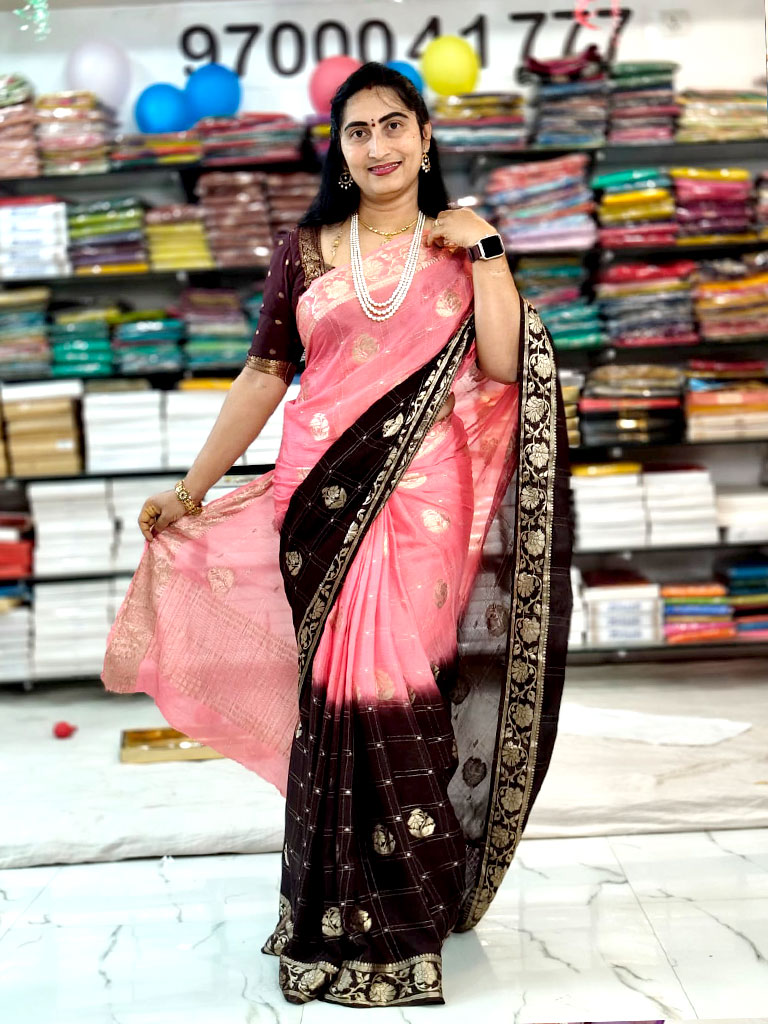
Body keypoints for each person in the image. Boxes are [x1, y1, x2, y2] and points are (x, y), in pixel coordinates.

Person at [101, 62, 574, 1008]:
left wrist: (487, 251)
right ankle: (333, 906)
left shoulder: (462, 244)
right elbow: (264, 376)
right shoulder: (305, 250)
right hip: (318, 503)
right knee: (337, 700)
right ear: (340, 151)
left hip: (426, 505)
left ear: (425, 138)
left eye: (395, 126)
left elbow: (499, 362)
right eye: (359, 132)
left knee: (398, 687)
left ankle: (404, 915)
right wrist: (192, 488)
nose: (378, 146)